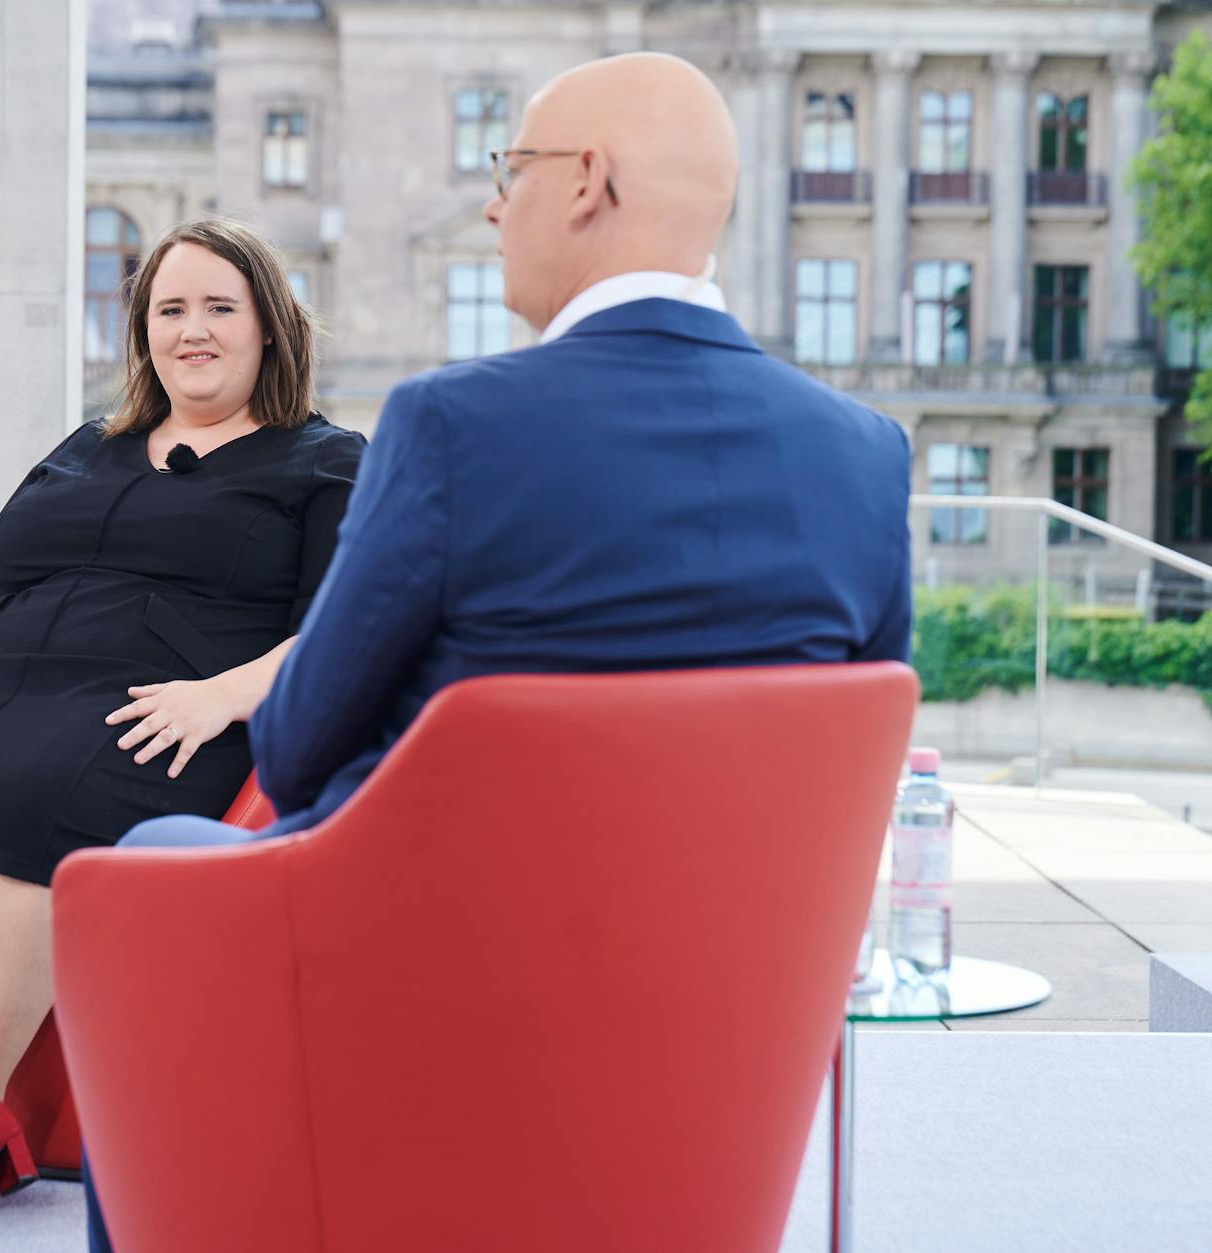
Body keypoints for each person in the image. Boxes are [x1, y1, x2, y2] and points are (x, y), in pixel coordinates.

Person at [82, 51, 911, 1251]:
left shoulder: (452, 425)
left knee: (157, 851)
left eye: (506, 169)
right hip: (714, 1033)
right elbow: (849, 785)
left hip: (427, 1002)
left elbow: (301, 749)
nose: (489, 203)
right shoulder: (864, 454)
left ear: (583, 182)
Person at [0, 217, 365, 1226]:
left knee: (25, 816)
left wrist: (223, 695)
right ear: (142, 333)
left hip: (155, 707)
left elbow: (337, 622)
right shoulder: (86, 447)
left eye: (217, 308)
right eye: (168, 310)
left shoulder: (323, 460)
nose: (190, 331)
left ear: (269, 329)